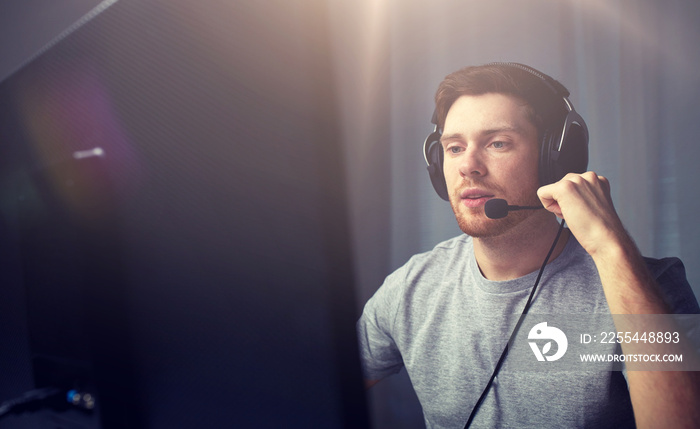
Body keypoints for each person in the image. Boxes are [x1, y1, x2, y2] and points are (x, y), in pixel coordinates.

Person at [356, 63, 700, 428]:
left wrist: (610, 248)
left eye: (497, 143)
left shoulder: (649, 287)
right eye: (454, 148)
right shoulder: (411, 288)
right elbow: (304, 390)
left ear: (557, 158)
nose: (468, 166)